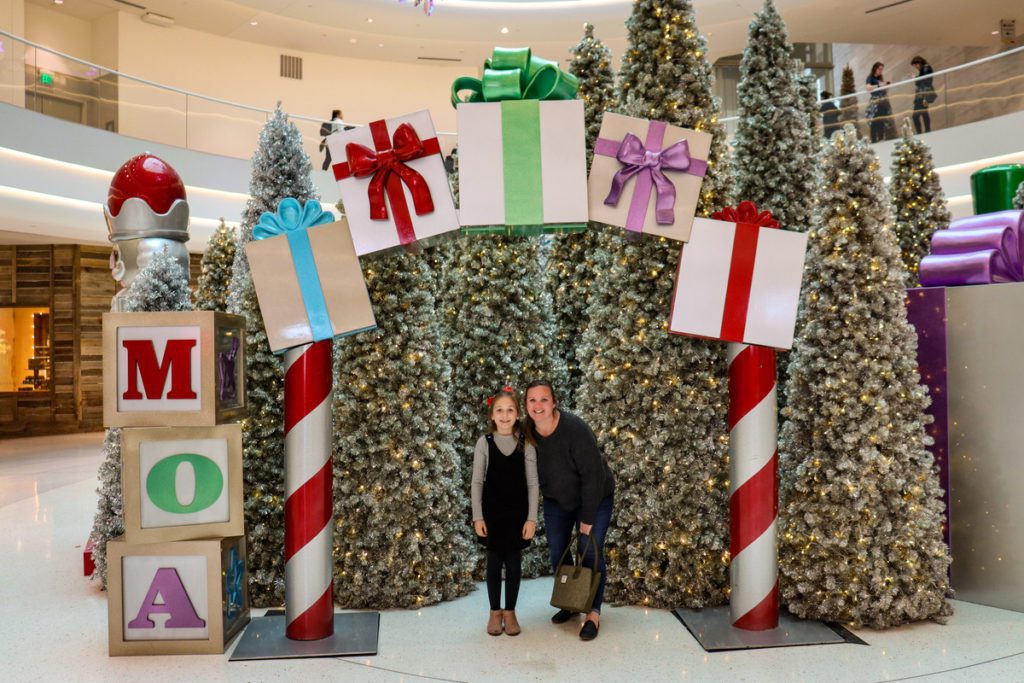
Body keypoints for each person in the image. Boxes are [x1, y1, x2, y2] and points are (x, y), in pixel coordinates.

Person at [525, 380, 615, 642]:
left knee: (589, 552)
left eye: (544, 399)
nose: (538, 405)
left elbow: (594, 476)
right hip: (557, 501)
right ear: (526, 405)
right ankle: (571, 602)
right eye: (532, 400)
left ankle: (593, 614)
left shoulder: (575, 429)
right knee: (557, 551)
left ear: (554, 402)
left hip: (595, 498)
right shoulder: (528, 432)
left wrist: (587, 518)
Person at [471, 386, 538, 637]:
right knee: (493, 562)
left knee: (513, 563)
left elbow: (532, 483)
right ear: (492, 415)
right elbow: (477, 482)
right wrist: (478, 516)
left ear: (518, 414)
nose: (505, 414)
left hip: (517, 514)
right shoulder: (484, 443)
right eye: (499, 410)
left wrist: (531, 518)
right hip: (492, 514)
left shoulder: (525, 443)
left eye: (510, 410)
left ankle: (510, 612)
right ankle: (494, 612)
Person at [865, 62, 892, 143]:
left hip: (882, 102)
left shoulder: (880, 78)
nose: (880, 71)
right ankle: (874, 140)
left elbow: (883, 89)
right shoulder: (870, 77)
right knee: (874, 122)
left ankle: (881, 138)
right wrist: (878, 86)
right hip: (875, 102)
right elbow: (868, 87)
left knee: (881, 121)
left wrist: (885, 85)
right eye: (879, 69)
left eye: (882, 69)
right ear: (875, 68)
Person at [911, 56, 936, 134]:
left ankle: (923, 132)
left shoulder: (926, 67)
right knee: (924, 113)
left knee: (916, 116)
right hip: (921, 95)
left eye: (915, 65)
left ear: (918, 63)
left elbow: (925, 79)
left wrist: (916, 77)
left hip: (923, 95)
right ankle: (927, 130)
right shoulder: (924, 69)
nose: (916, 67)